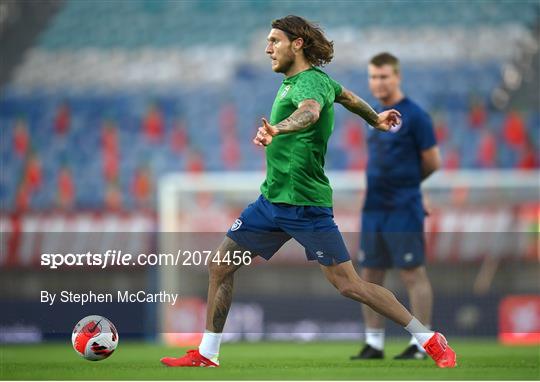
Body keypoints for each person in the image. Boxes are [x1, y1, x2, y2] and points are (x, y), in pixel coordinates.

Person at [160, 16, 456, 369]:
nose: (268, 48)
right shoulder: (311, 82)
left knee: (349, 285)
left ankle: (429, 338)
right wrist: (374, 118)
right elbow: (346, 96)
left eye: (275, 41)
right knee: (221, 264)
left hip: (304, 205)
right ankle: (207, 354)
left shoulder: (309, 85)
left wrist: (277, 129)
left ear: (297, 43)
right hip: (271, 201)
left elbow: (310, 113)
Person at [350, 52, 441, 361]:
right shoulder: (372, 114)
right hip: (374, 206)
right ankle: (374, 343)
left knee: (412, 272)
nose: (378, 82)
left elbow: (432, 161)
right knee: (370, 274)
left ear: (397, 77)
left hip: (403, 205)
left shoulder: (415, 115)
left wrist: (410, 189)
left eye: (384, 76)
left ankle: (421, 343)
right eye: (373, 77)